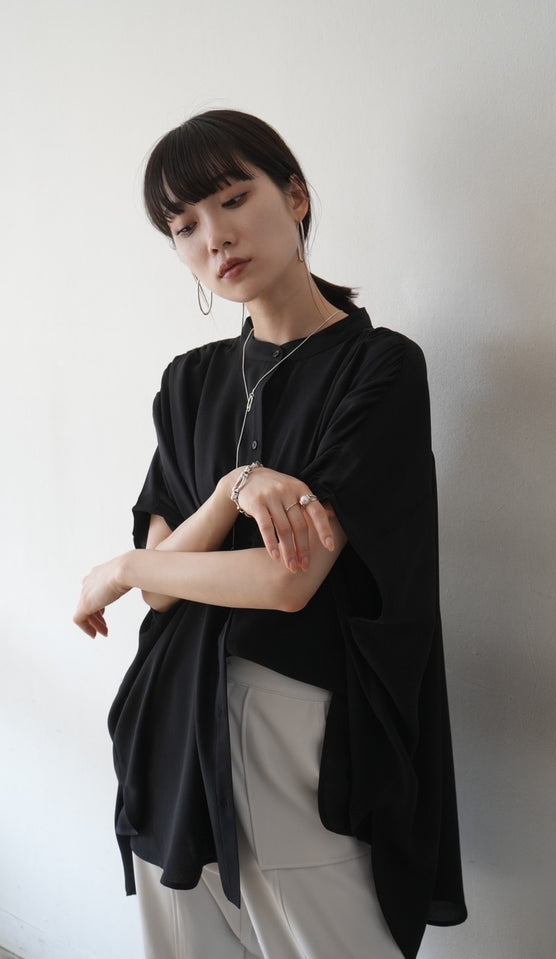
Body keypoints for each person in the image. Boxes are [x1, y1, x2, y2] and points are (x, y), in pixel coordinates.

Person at [74, 109, 466, 959]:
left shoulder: (379, 367)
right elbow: (161, 588)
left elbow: (289, 579)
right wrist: (231, 491)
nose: (214, 236)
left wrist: (128, 567)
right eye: (183, 225)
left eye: (231, 199)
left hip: (289, 725)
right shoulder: (189, 384)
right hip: (168, 726)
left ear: (295, 197)